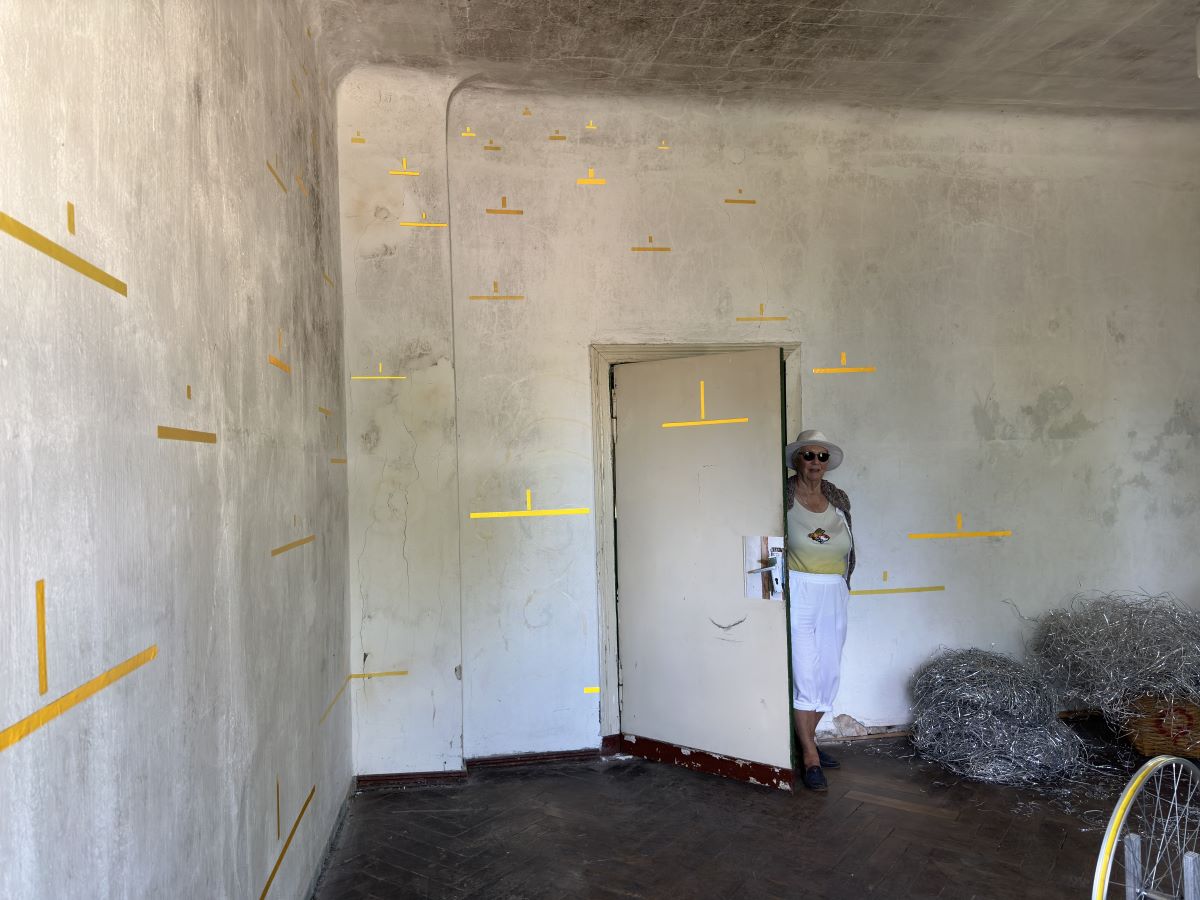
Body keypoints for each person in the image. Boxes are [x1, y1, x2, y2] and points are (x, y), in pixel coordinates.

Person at [783, 429, 855, 792]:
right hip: (799, 588)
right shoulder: (782, 497)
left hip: (834, 590)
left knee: (828, 672)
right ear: (797, 460)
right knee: (804, 672)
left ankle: (803, 742)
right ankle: (810, 757)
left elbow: (849, 547)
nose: (815, 462)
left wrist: (844, 583)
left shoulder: (838, 499)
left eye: (821, 456)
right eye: (808, 455)